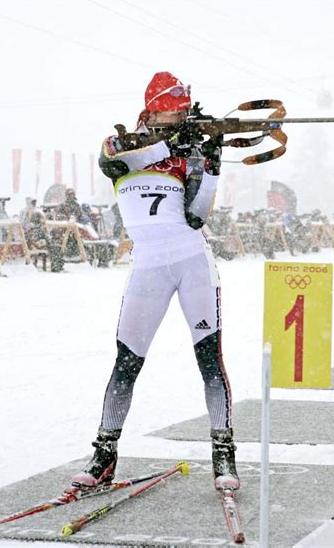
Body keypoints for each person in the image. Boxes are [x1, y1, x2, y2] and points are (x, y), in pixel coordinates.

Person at [71, 71, 239, 492]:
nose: (182, 113)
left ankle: (223, 454)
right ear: (154, 107)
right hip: (147, 268)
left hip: (191, 263)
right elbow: (111, 163)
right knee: (126, 363)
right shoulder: (121, 142)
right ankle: (104, 455)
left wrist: (210, 165)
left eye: (186, 108)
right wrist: (168, 145)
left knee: (208, 362)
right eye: (175, 107)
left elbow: (197, 215)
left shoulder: (189, 151)